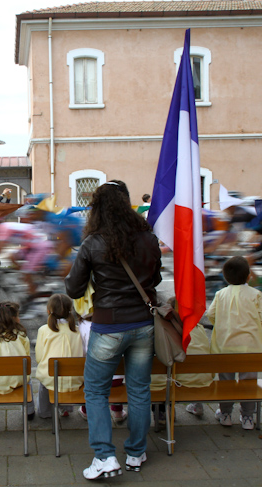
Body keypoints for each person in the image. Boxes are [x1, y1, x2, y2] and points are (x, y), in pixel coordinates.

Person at [65, 180, 161, 479]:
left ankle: (105, 456)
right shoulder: (148, 238)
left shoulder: (93, 242)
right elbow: (155, 280)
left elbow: (73, 288)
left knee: (95, 391)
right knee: (140, 390)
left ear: (97, 209)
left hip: (108, 326)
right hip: (143, 325)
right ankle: (136, 452)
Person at [207, 256, 262, 430]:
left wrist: (222, 324)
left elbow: (210, 315)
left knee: (226, 381)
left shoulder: (220, 295)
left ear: (225, 277)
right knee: (248, 383)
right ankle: (248, 417)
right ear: (249, 276)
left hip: (224, 347)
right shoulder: (256, 295)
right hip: (250, 348)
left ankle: (225, 413)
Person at [0, 301, 36, 421]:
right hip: (18, 380)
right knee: (28, 379)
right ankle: (29, 411)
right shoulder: (21, 336)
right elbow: (27, 358)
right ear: (14, 319)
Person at [35, 294, 84, 419]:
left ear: (48, 311)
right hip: (75, 378)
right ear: (70, 310)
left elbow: (39, 357)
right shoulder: (78, 331)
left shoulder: (44, 330)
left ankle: (45, 412)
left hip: (51, 377)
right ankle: (66, 408)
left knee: (45, 377)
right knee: (67, 375)